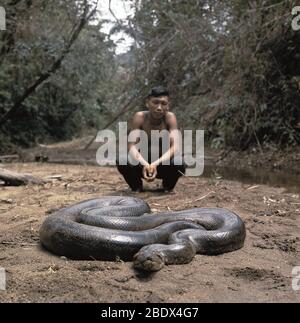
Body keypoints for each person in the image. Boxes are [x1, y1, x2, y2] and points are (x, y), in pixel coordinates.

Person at [117, 86, 186, 192]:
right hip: (140, 164)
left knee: (179, 162)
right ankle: (136, 187)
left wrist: (155, 163)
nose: (159, 107)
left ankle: (167, 187)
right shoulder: (139, 117)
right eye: (155, 102)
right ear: (147, 103)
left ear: (168, 106)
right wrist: (144, 163)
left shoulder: (170, 118)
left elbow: (175, 146)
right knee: (122, 160)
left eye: (163, 104)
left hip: (163, 164)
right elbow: (131, 146)